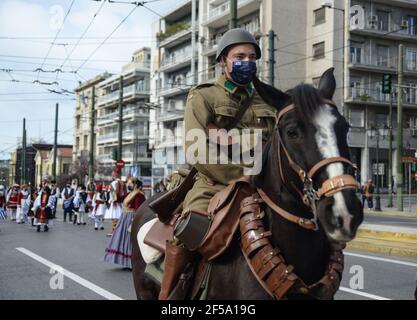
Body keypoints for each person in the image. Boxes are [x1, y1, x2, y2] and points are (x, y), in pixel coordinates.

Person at [159, 28, 277, 299]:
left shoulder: (267, 99)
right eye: (239, 56)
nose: (246, 62)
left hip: (263, 184)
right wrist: (244, 173)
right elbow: (197, 150)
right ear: (223, 60)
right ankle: (169, 295)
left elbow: (275, 145)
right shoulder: (204, 96)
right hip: (214, 184)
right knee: (189, 228)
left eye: (251, 57)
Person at [104, 178, 146, 269]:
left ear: (135, 185)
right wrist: (113, 190)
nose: (128, 185)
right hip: (125, 218)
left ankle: (131, 263)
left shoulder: (139, 195)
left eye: (130, 183)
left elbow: (139, 209)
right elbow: (119, 199)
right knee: (123, 240)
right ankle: (126, 262)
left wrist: (135, 220)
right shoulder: (130, 194)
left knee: (129, 241)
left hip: (132, 218)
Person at [104, 171, 126, 237]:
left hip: (115, 202)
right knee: (119, 217)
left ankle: (114, 230)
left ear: (114, 175)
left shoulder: (113, 183)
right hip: (121, 202)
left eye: (112, 174)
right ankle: (119, 231)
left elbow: (111, 193)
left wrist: (110, 201)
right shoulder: (123, 183)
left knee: (114, 216)